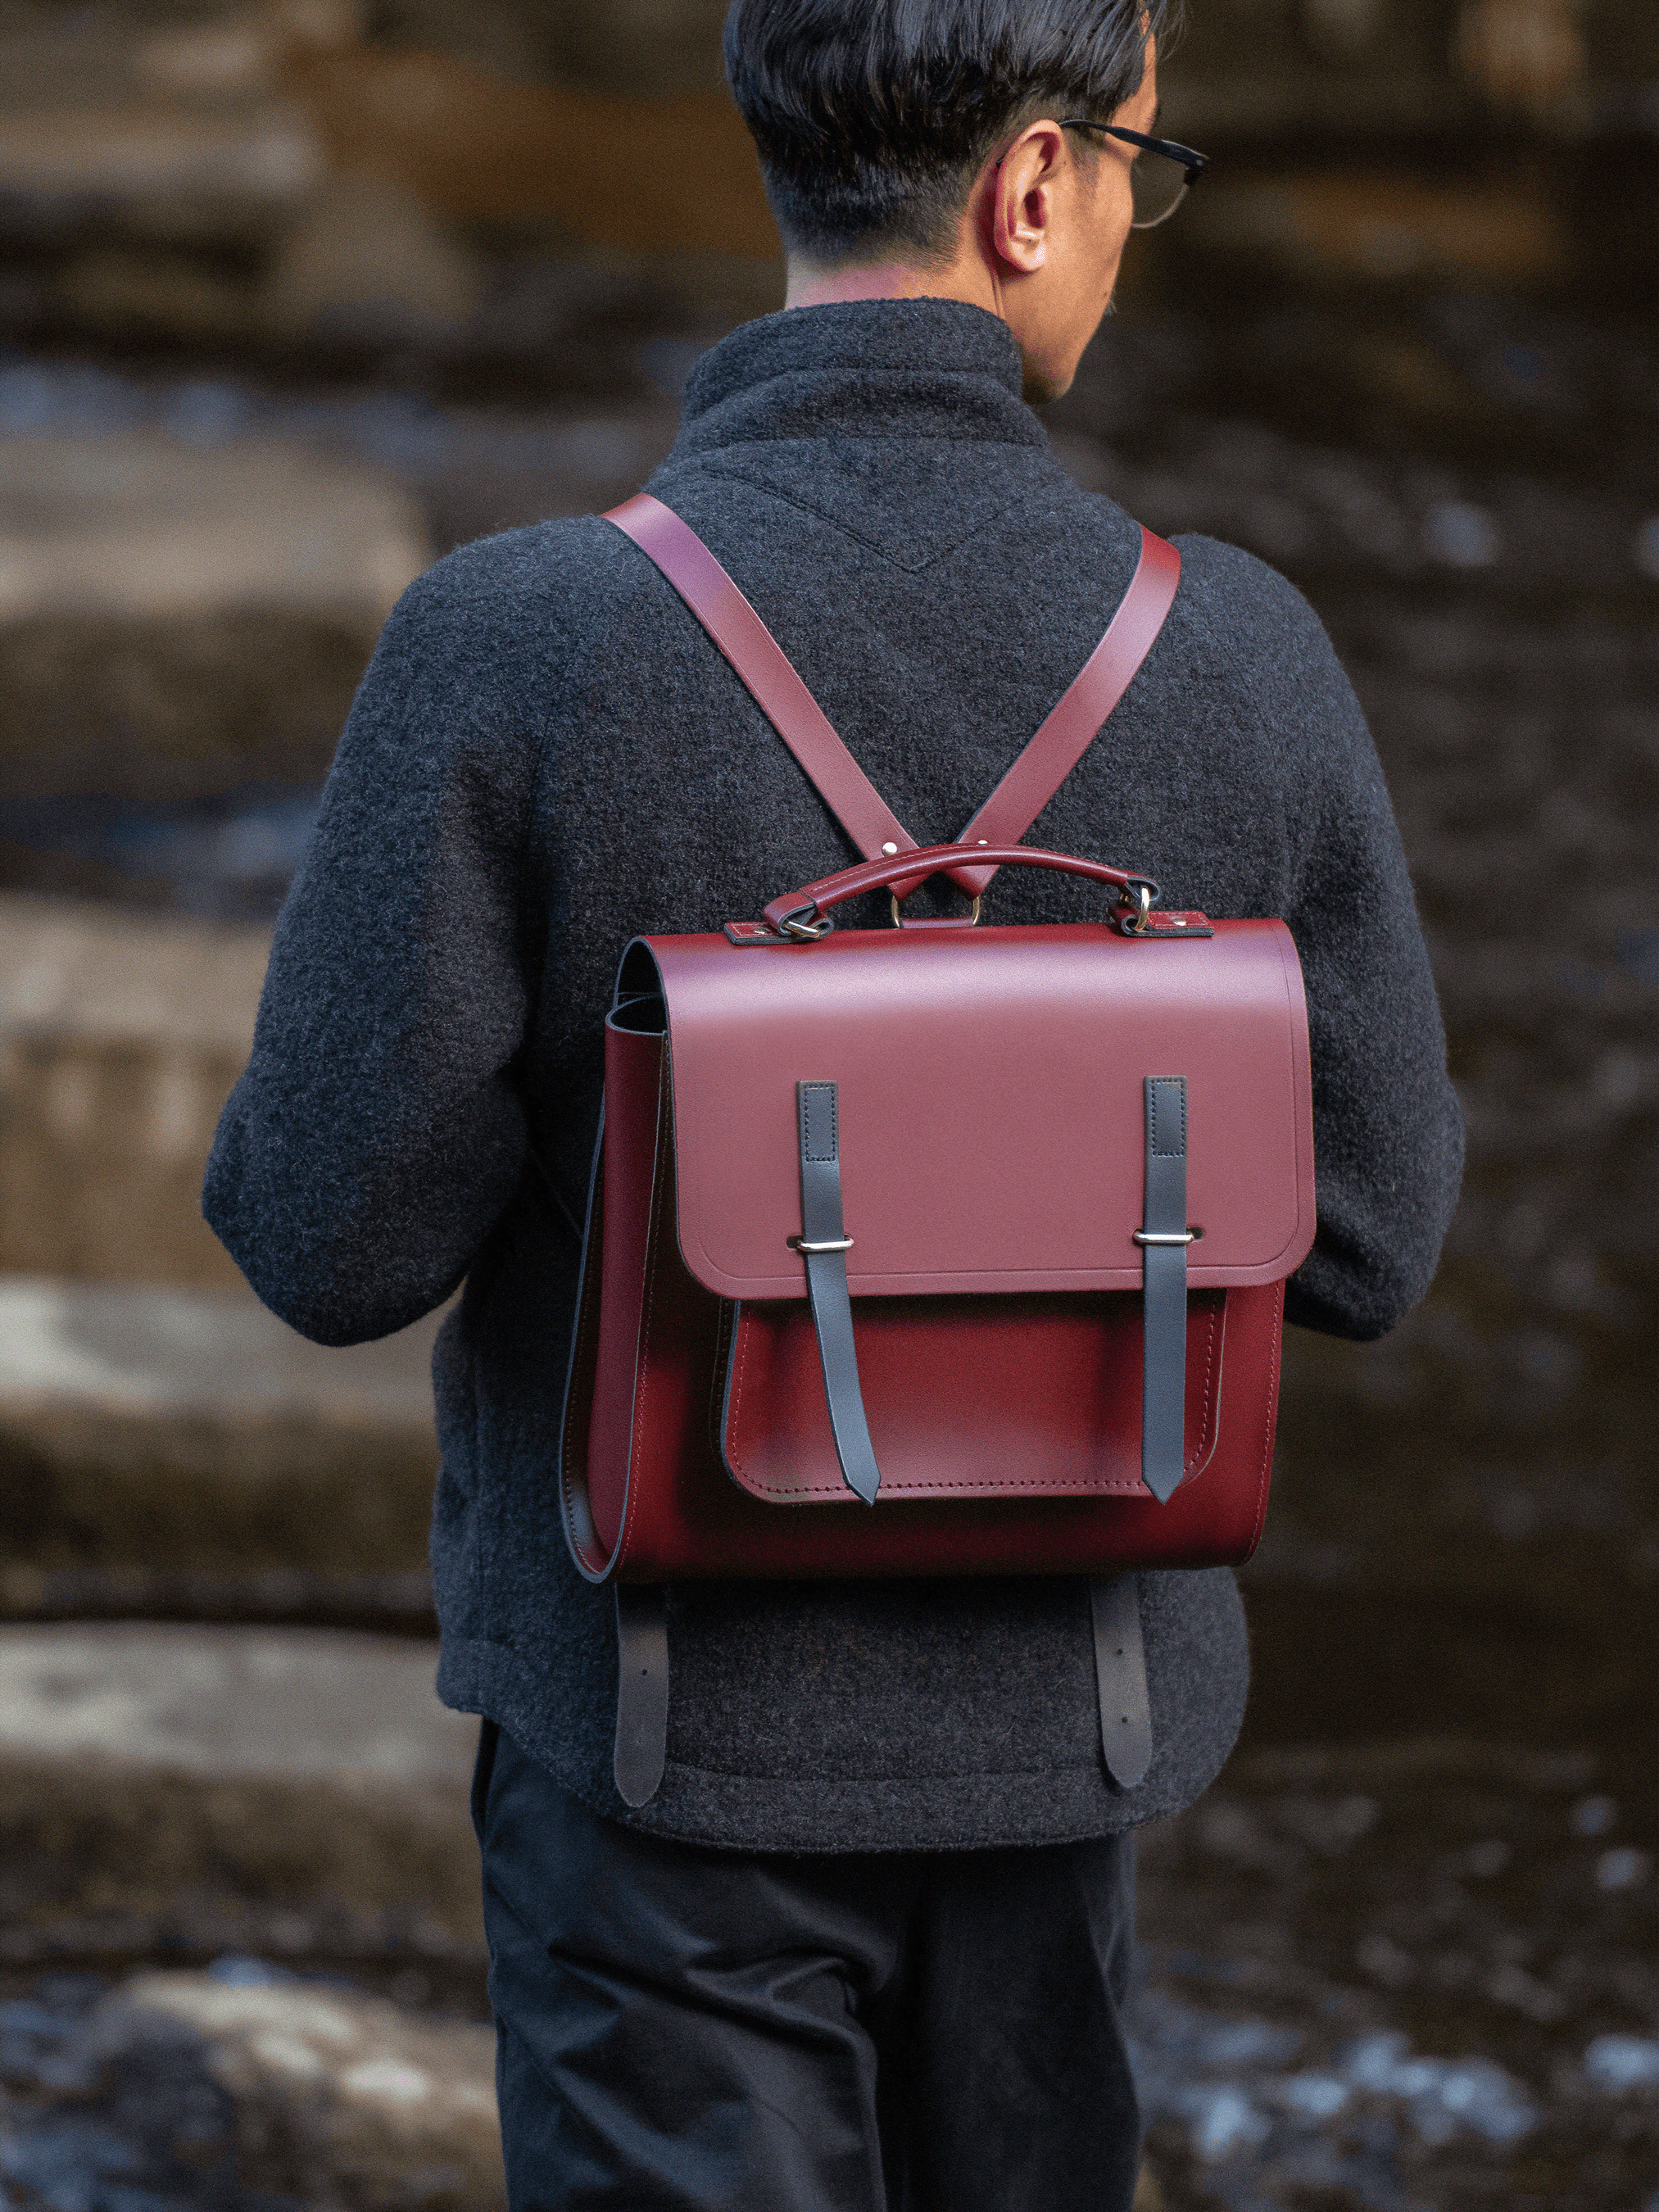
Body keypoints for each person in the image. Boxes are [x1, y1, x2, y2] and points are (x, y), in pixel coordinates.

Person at [204, 0, 1464, 2203]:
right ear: (1034, 187)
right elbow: (1373, 1234)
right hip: (1068, 1749)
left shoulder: (513, 641)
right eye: (1144, 178)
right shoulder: (1239, 653)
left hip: (657, 1772)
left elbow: (325, 1242)